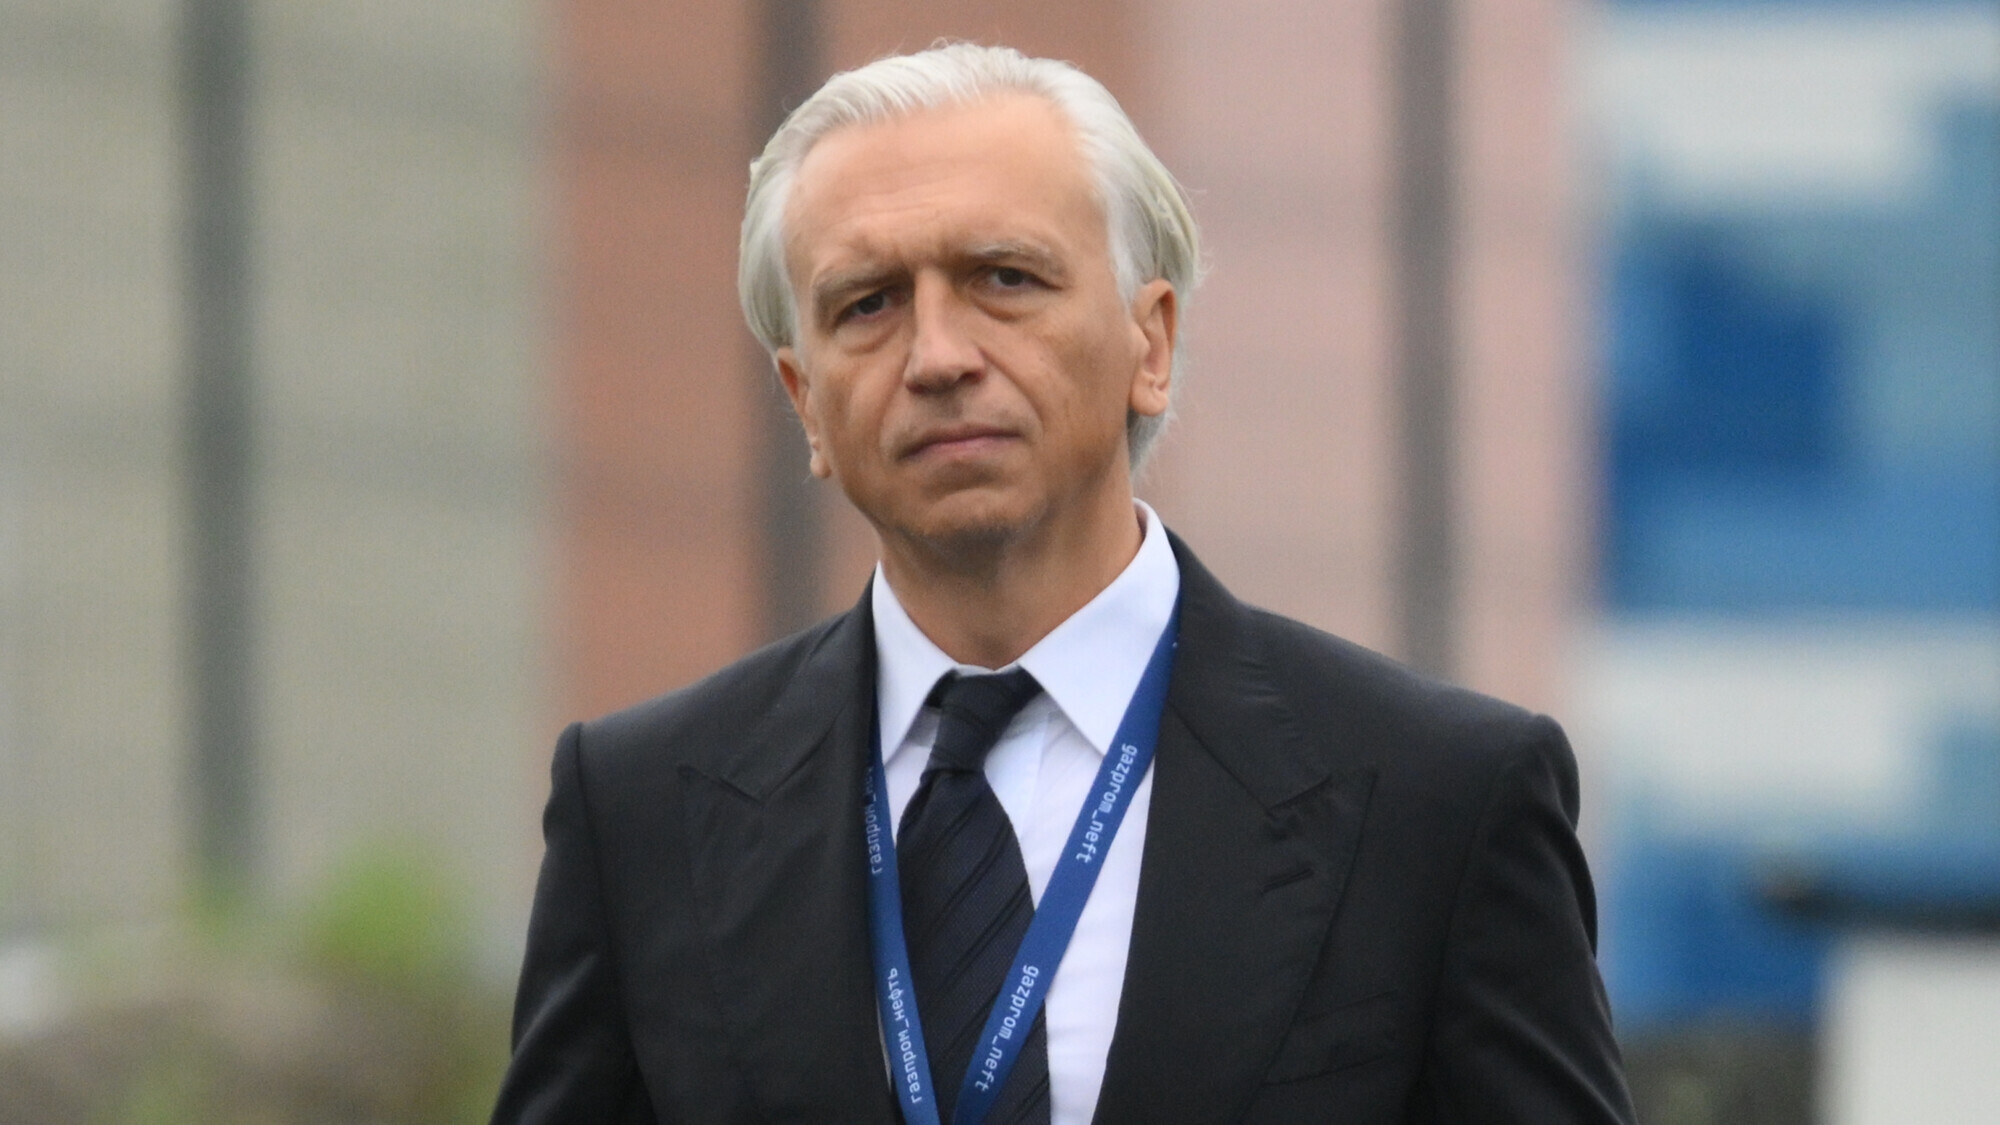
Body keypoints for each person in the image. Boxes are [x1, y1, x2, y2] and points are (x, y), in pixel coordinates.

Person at [491, 42, 1635, 1125]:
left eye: (1004, 278)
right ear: (805, 404)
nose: (937, 356)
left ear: (1151, 344)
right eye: (867, 304)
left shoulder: (1436, 800)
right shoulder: (641, 813)